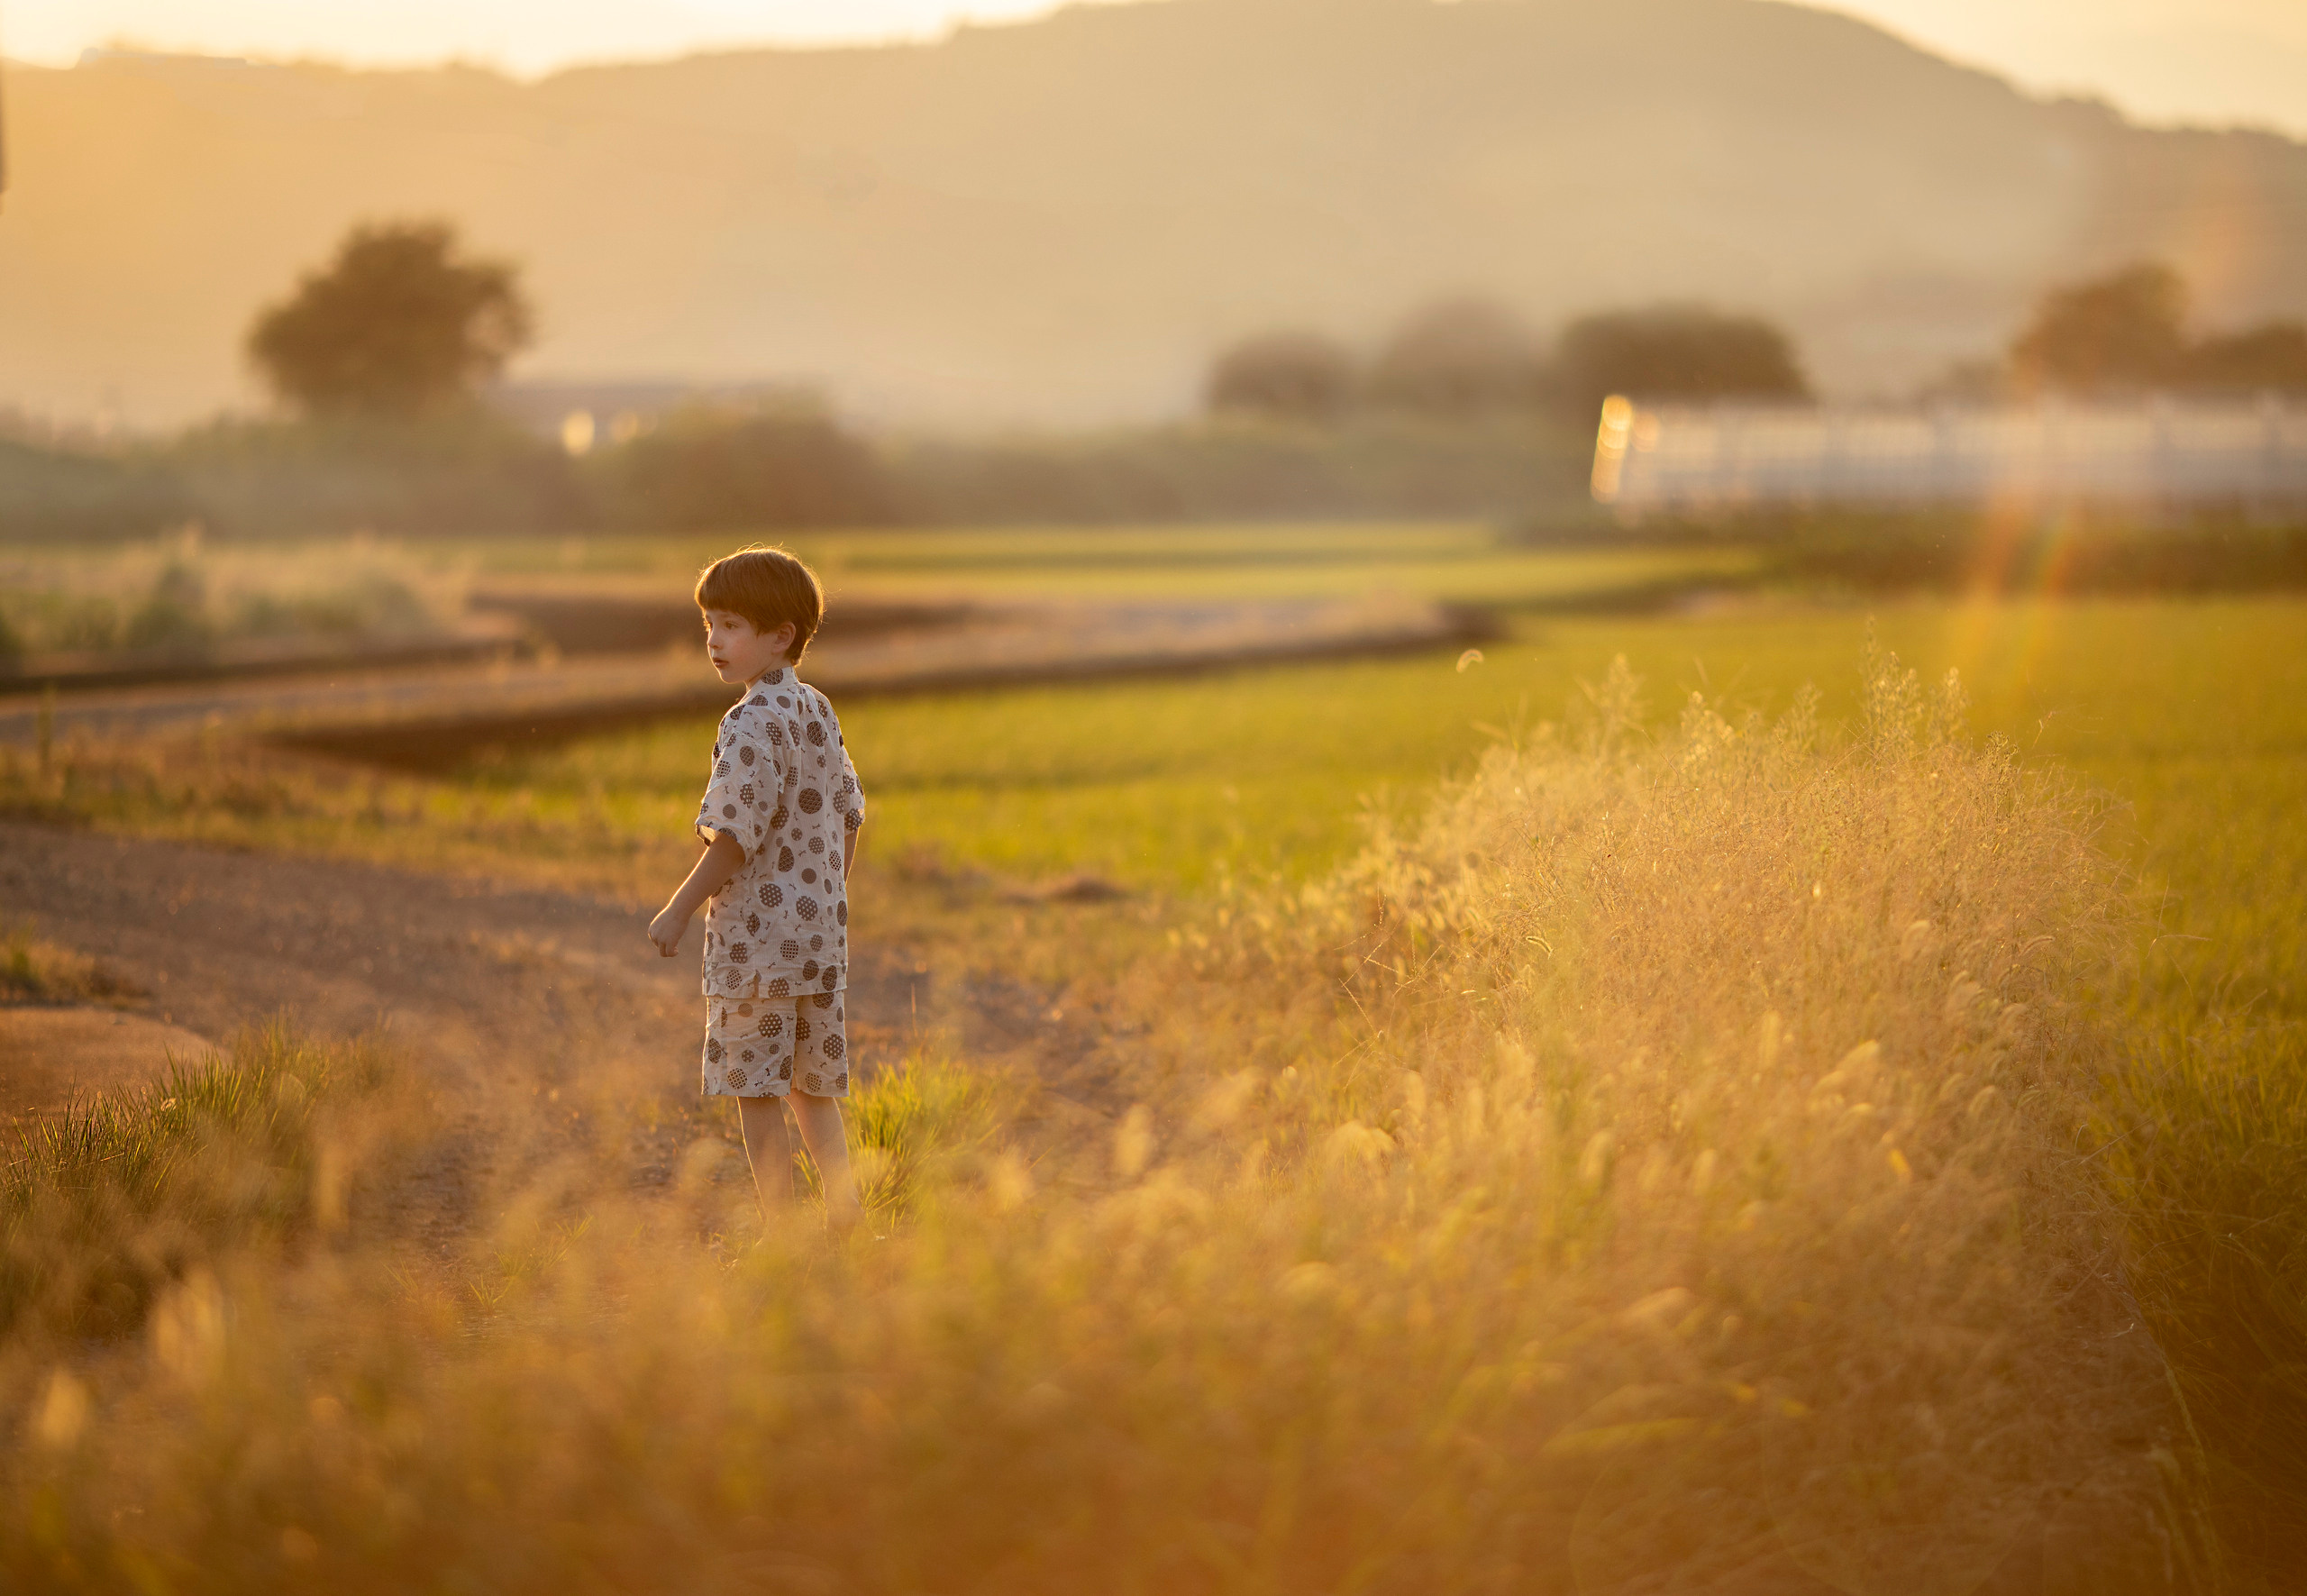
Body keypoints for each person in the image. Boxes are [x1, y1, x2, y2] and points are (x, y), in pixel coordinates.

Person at [648, 546, 866, 1228]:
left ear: (782, 636)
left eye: (733, 625)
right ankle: (847, 1220)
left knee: (757, 1091)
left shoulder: (746, 723)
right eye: (710, 622)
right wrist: (825, 898)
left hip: (756, 948)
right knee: (812, 1089)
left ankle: (783, 1238)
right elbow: (851, 813)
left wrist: (678, 909)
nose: (714, 639)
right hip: (817, 941)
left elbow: (733, 839)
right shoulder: (816, 708)